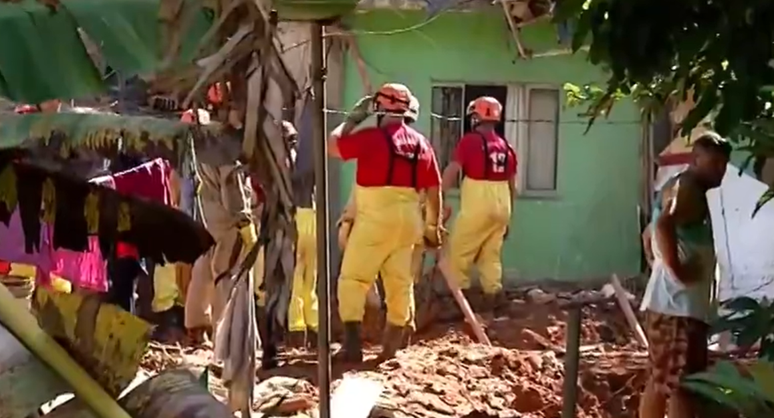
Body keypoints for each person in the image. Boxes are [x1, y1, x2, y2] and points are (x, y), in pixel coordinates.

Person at [328, 84, 443, 362]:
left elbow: (332, 146)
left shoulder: (370, 138)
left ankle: (352, 346)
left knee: (353, 280)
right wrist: (432, 227)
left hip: (375, 220)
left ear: (377, 108)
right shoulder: (421, 143)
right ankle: (391, 347)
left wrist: (352, 119)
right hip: (409, 221)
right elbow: (434, 188)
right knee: (400, 283)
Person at [638, 132, 730, 418]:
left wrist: (661, 263)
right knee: (679, 386)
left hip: (679, 307)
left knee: (671, 383)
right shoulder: (687, 189)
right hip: (677, 309)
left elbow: (647, 234)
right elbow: (664, 224)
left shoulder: (680, 187)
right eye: (714, 163)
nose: (720, 171)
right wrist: (675, 271)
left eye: (724, 164)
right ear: (696, 159)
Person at [441, 96, 516, 312]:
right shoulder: (505, 146)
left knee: (459, 252)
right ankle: (493, 296)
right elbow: (512, 184)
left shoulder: (469, 141)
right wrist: (509, 216)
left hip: (479, 203)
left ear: (476, 117)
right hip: (503, 204)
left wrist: (440, 196)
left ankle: (459, 302)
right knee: (490, 254)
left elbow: (453, 170)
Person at [285, 120, 320, 349]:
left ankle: (297, 331)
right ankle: (314, 329)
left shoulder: (283, 162)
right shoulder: (303, 160)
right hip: (313, 216)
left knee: (295, 277)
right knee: (311, 277)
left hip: (295, 218)